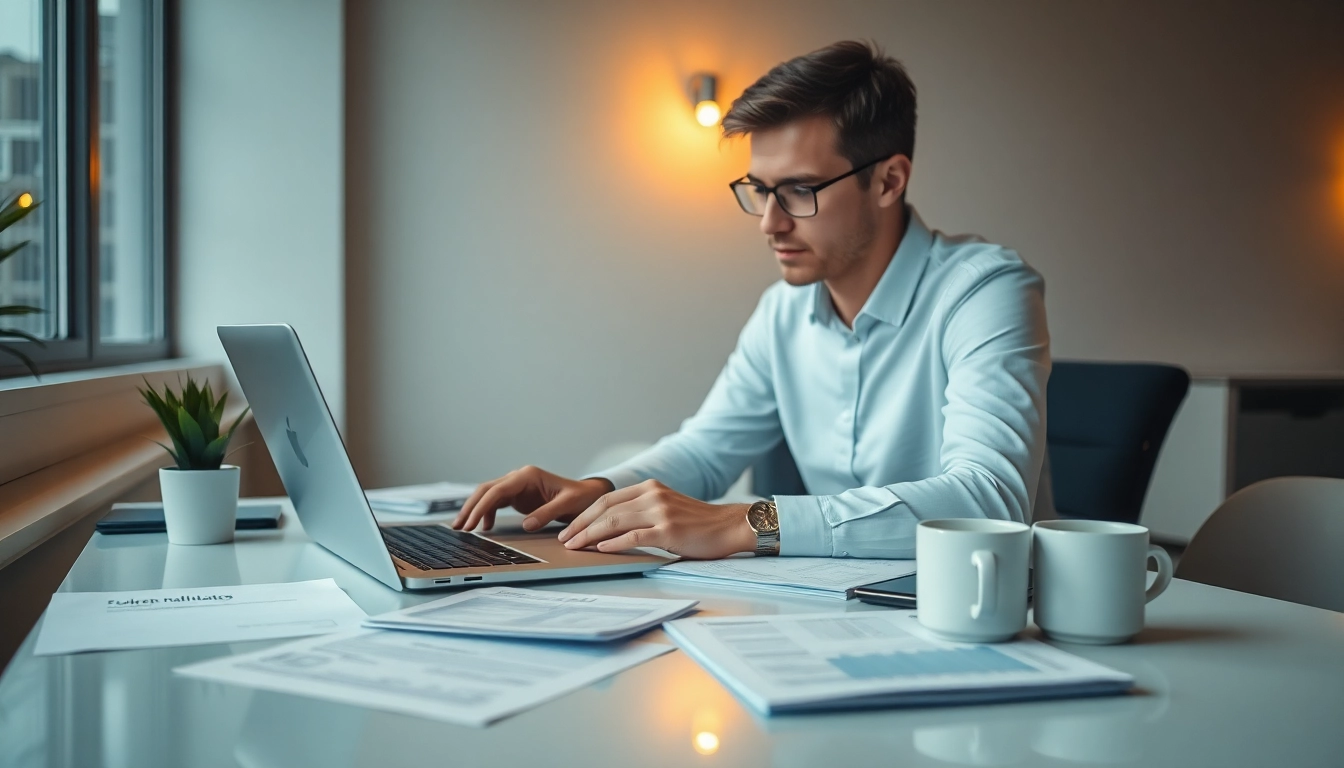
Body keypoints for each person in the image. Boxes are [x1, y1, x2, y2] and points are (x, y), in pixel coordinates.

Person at [453, 40, 1050, 560]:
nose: (769, 223)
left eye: (798, 190)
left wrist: (747, 522)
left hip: (985, 614)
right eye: (759, 191)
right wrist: (601, 489)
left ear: (889, 180)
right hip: (837, 606)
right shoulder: (783, 312)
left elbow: (987, 496)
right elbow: (708, 450)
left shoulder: (984, 290)